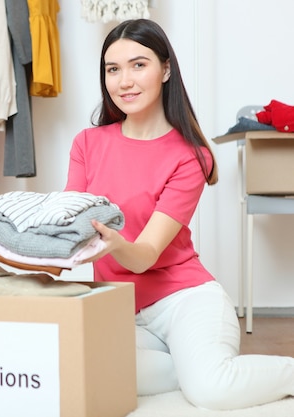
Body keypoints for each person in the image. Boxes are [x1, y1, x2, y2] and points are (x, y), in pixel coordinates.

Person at [64, 18, 294, 410]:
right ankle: (188, 366)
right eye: (113, 69)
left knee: (211, 390)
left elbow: (146, 254)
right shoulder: (88, 143)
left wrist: (113, 241)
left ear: (165, 69)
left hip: (184, 300)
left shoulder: (189, 155)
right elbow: (69, 223)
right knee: (74, 362)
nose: (124, 81)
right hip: (120, 306)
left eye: (139, 65)